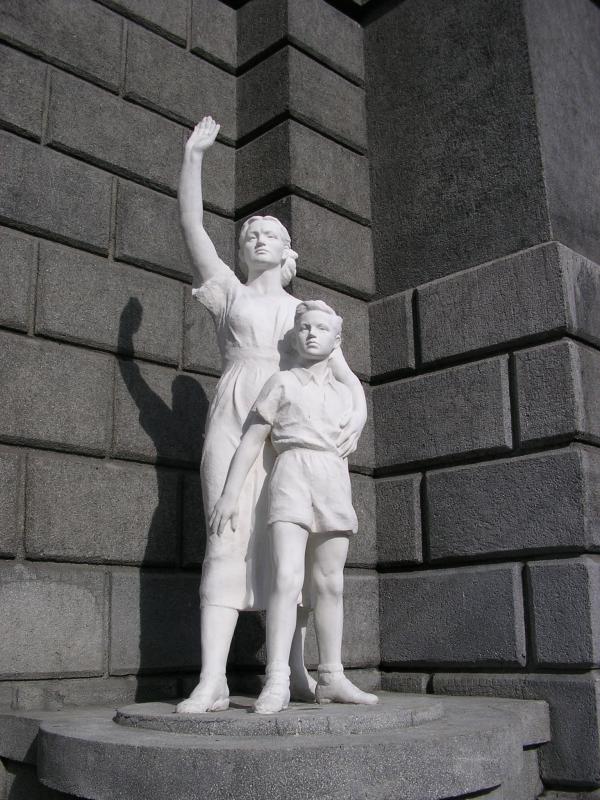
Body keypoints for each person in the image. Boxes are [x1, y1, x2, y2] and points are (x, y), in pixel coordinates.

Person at [176, 117, 367, 713]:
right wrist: (193, 158)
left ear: (288, 252)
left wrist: (357, 417)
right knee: (226, 535)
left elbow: (346, 376)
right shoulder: (228, 292)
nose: (259, 238)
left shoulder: (304, 312)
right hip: (235, 415)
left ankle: (294, 672)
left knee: (296, 548)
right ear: (240, 250)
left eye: (271, 234)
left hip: (289, 429)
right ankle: (213, 678)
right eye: (251, 234)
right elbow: (191, 227)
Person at [211, 301, 378, 714]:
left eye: (321, 328)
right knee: (286, 577)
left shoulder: (344, 393)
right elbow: (251, 440)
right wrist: (230, 494)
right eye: (304, 327)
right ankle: (278, 679)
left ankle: (332, 677)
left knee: (331, 582)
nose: (311, 334)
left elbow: (354, 394)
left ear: (337, 339)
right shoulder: (281, 382)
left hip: (332, 476)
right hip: (292, 473)